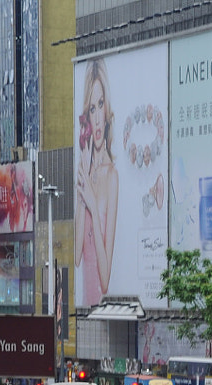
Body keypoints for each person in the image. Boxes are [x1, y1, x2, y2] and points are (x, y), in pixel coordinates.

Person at [75, 59, 120, 305]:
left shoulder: (112, 176)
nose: (97, 117)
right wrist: (83, 190)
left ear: (107, 108)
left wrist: (92, 202)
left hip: (103, 310)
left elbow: (105, 278)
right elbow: (76, 257)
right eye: (91, 108)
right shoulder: (85, 171)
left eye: (100, 104)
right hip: (82, 312)